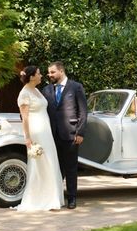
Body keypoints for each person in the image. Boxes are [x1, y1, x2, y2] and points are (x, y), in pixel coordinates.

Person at [15, 65, 64, 211]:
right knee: (40, 164)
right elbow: (24, 118)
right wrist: (27, 138)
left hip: (46, 131)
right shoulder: (24, 94)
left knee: (51, 162)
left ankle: (52, 197)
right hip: (36, 132)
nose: (41, 75)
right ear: (31, 77)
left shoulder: (36, 90)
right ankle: (39, 198)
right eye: (38, 73)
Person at [43, 61, 87, 209]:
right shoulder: (46, 90)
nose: (50, 75)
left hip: (70, 134)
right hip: (51, 136)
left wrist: (80, 132)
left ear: (61, 71)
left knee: (70, 168)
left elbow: (83, 111)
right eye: (49, 72)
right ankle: (54, 197)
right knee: (55, 168)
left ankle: (72, 198)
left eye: (52, 72)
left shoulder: (76, 87)